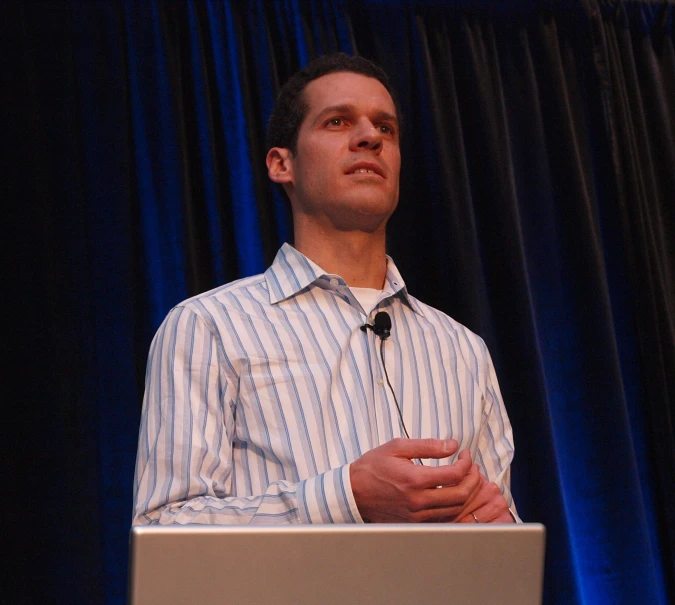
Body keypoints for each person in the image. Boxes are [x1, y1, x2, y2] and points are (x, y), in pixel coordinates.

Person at [133, 53, 518, 526]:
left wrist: (495, 535)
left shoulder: (462, 350)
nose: (370, 137)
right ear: (282, 164)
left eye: (386, 128)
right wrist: (347, 497)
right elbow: (163, 529)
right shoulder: (209, 327)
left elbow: (499, 537)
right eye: (338, 121)